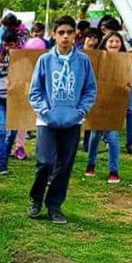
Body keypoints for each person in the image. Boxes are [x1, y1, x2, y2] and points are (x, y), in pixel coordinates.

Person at [27, 15, 98, 225]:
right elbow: (35, 92)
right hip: (47, 121)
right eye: (61, 33)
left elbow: (90, 90)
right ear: (54, 35)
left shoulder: (83, 61)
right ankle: (35, 199)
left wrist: (80, 112)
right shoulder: (45, 60)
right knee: (45, 162)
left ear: (75, 34)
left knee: (64, 165)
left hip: (72, 121)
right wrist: (45, 111)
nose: (65, 37)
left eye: (69, 32)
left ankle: (54, 205)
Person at [85, 31, 132, 184]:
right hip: (98, 103)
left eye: (117, 41)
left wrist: (128, 86)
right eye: (111, 41)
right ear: (105, 43)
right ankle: (91, 163)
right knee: (96, 135)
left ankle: (114, 170)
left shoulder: (125, 61)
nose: (114, 44)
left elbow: (129, 79)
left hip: (116, 104)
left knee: (113, 137)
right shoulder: (97, 60)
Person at [0, 31, 21, 175]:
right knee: (0, 131)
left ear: (16, 44)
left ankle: (5, 155)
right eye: (5, 45)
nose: (7, 48)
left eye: (11, 45)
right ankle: (2, 165)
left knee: (12, 133)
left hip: (14, 98)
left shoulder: (20, 57)